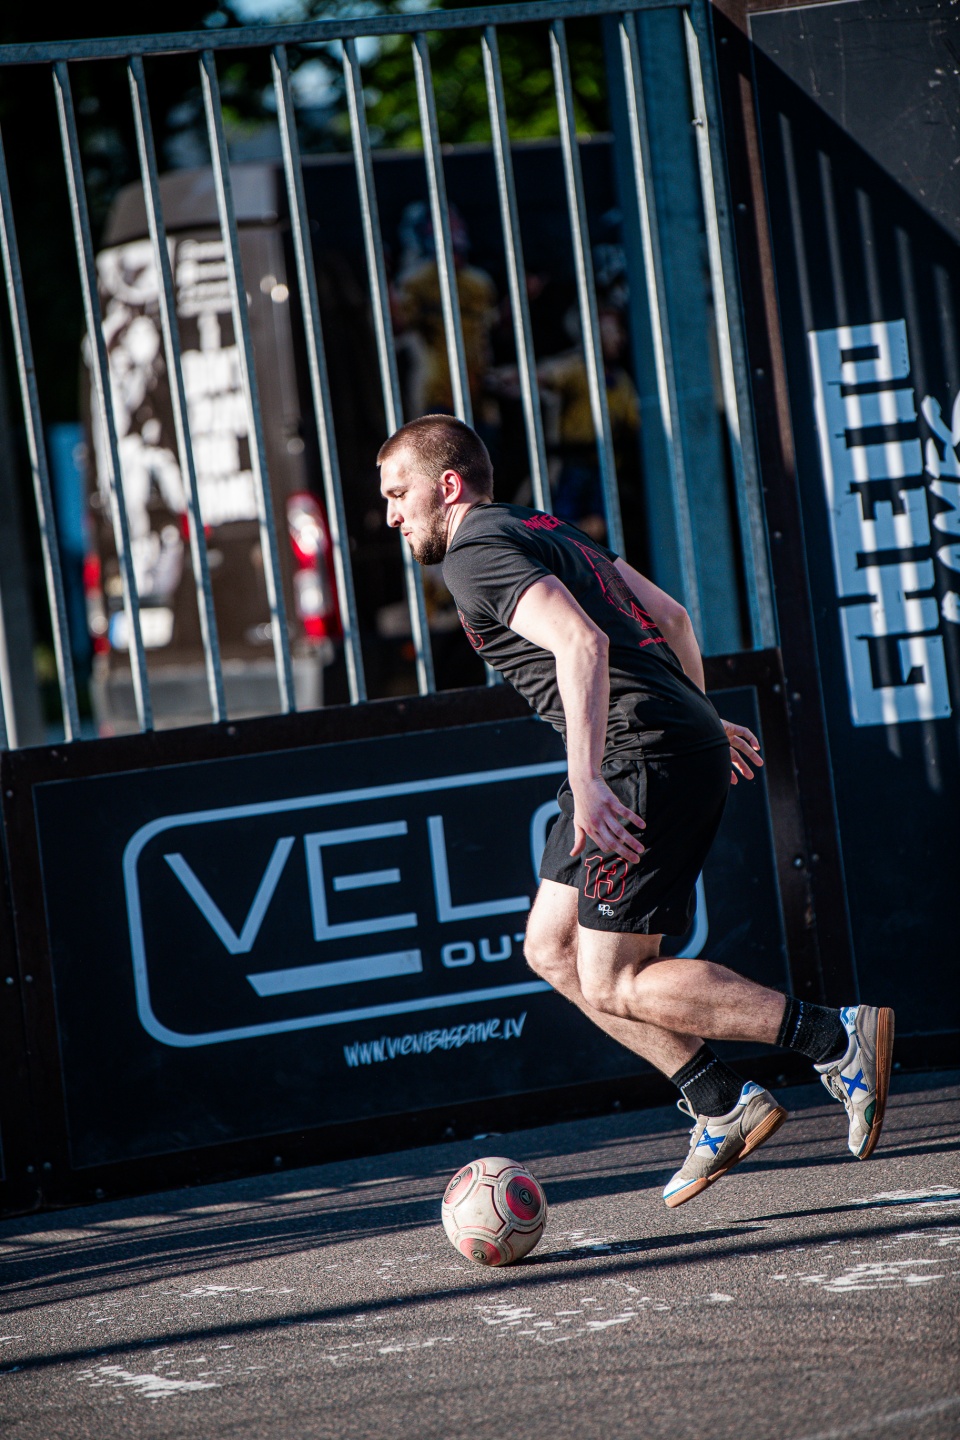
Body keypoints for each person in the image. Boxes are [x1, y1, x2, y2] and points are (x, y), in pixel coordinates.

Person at [377, 414, 895, 1208]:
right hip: (651, 739)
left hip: (631, 755)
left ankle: (834, 1037)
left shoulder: (473, 553)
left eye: (398, 493)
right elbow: (673, 616)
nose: (391, 516)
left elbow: (582, 644)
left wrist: (589, 779)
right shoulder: (539, 525)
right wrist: (701, 717)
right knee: (551, 948)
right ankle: (720, 1100)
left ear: (447, 486)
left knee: (614, 976)